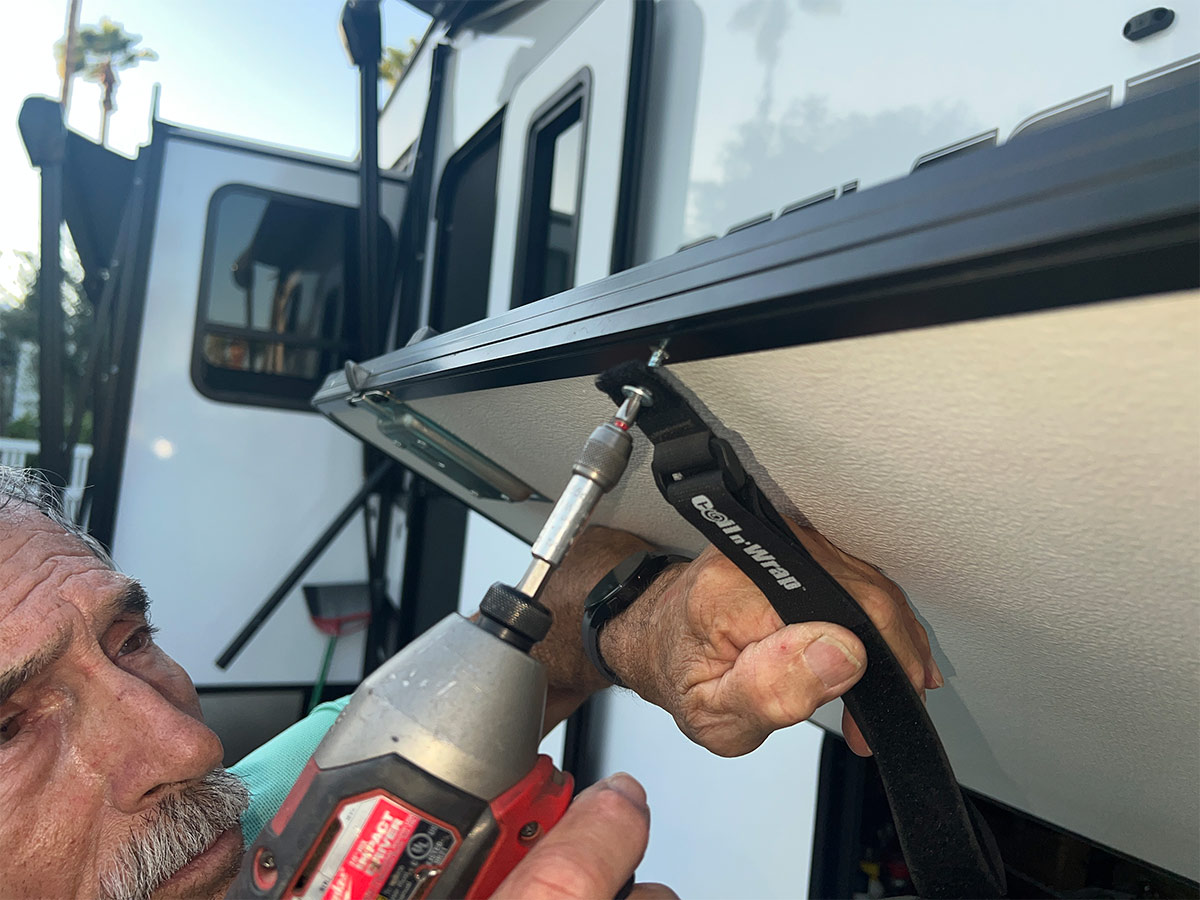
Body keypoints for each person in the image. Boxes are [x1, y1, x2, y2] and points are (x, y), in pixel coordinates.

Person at [0, 465, 939, 899]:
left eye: (129, 640)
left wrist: (652, 616)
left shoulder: (278, 807)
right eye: (10, 724)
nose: (190, 746)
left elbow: (538, 633)